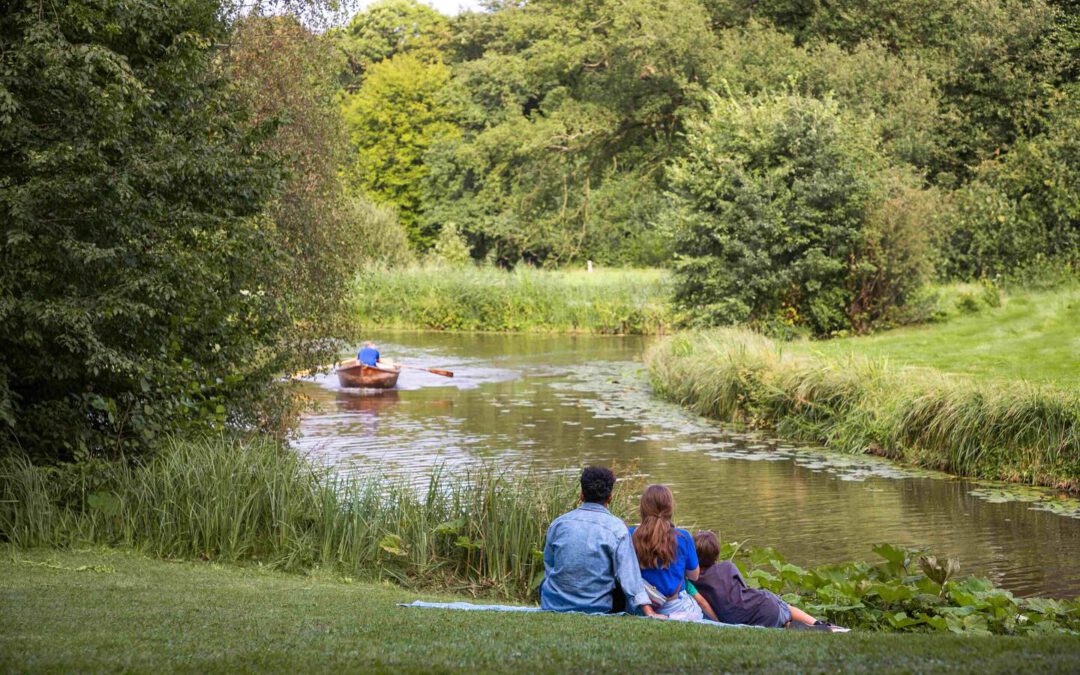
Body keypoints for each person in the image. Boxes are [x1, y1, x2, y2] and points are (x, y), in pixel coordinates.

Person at [541, 467, 657, 617]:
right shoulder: (617, 528)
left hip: (553, 604)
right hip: (596, 607)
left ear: (581, 495)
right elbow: (628, 577)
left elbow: (549, 566)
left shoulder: (558, 524)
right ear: (610, 497)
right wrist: (648, 610)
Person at [691, 530, 849, 632]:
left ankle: (801, 627)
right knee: (784, 607)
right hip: (761, 605)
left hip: (750, 617)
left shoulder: (694, 581)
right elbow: (743, 589)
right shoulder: (727, 567)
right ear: (716, 554)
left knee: (781, 617)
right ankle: (818, 624)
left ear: (692, 555)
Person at [628, 484, 703, 621]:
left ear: (643, 509)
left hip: (641, 606)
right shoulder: (683, 537)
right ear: (670, 508)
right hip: (677, 606)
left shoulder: (630, 535)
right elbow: (694, 576)